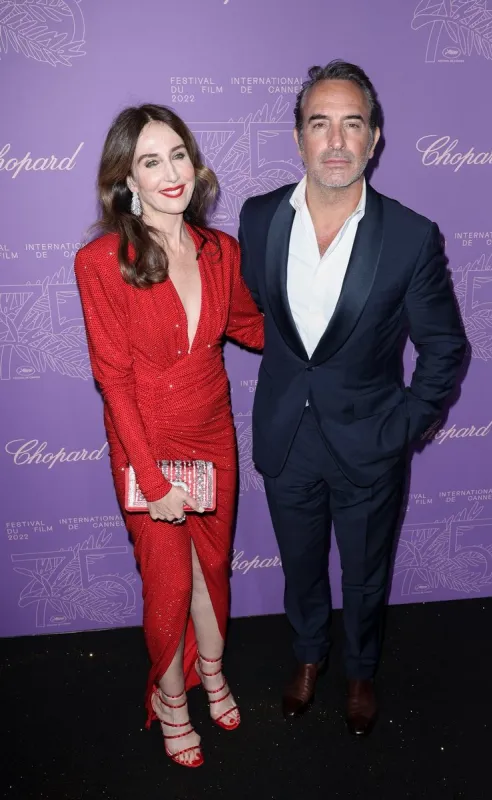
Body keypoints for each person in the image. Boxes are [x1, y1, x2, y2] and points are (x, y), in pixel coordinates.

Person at [238, 60, 467, 736]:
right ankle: (308, 658)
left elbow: (444, 346)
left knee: (365, 575)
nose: (335, 141)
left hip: (369, 440)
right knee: (301, 565)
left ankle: (360, 669)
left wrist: (405, 427)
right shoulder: (257, 219)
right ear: (298, 137)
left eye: (351, 124)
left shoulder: (408, 235)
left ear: (373, 139)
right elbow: (253, 317)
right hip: (286, 436)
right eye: (319, 124)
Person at [74, 104, 263, 767]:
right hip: (147, 442)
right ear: (127, 178)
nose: (170, 172)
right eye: (150, 161)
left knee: (210, 573)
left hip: (213, 432)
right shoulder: (102, 260)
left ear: (194, 162)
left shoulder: (220, 251)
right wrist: (152, 481)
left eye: (177, 154)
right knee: (169, 585)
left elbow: (250, 326)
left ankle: (212, 672)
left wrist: (326, 329)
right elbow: (114, 381)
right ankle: (170, 698)